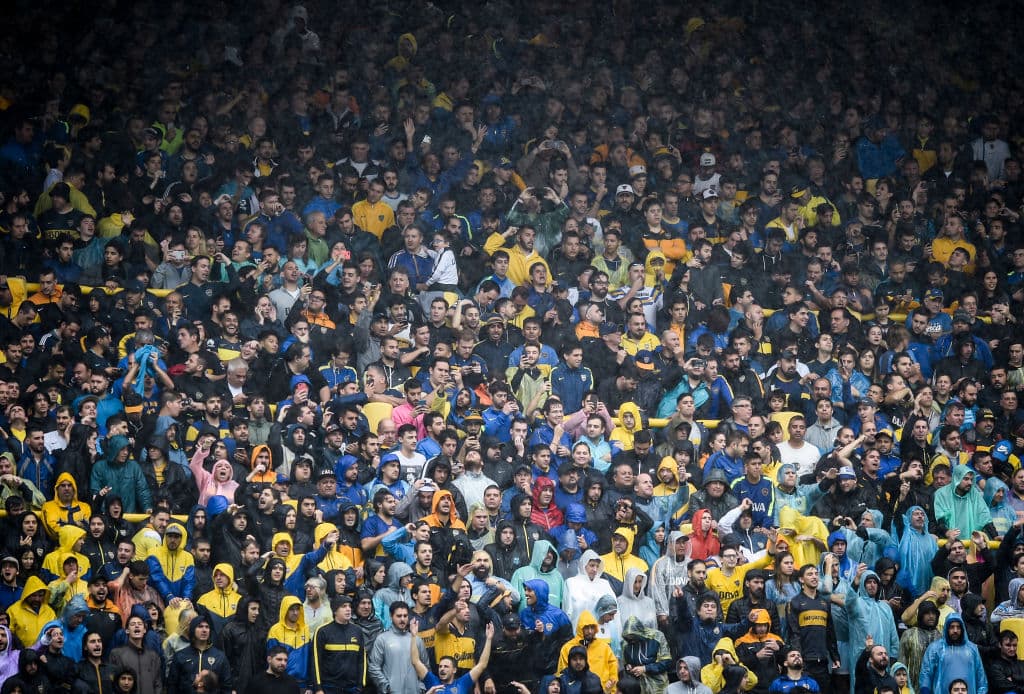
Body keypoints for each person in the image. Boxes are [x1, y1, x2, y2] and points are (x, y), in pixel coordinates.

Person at [410, 617, 493, 694]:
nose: (442, 669)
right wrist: (414, 636)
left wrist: (489, 640)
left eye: (446, 666)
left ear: (454, 670)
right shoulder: (432, 681)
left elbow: (482, 664)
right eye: (440, 666)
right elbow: (415, 661)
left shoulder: (463, 683)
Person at [310, 596, 366, 694]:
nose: (348, 609)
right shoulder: (322, 631)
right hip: (329, 688)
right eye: (344, 606)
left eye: (349, 606)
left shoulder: (357, 631)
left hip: (352, 689)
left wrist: (360, 686)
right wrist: (318, 688)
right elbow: (315, 661)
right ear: (335, 611)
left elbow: (362, 661)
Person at [918, 615, 987, 694]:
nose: (955, 630)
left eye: (958, 627)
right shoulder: (935, 648)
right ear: (946, 629)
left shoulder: (972, 649)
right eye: (952, 627)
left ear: (962, 629)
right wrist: (925, 690)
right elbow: (926, 673)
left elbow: (980, 675)